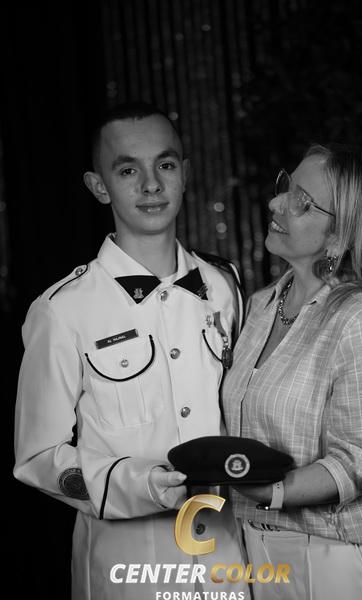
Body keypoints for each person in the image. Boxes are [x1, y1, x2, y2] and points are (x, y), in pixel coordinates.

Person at [14, 102, 249, 600]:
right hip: (127, 570)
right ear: (99, 186)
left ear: (185, 173)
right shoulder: (62, 309)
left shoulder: (224, 286)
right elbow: (37, 457)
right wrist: (136, 484)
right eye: (127, 170)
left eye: (165, 165)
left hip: (228, 560)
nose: (151, 185)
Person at [222, 143, 362, 600]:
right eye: (286, 187)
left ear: (339, 239)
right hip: (258, 551)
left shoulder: (360, 318)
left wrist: (275, 490)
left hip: (341, 558)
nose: (275, 203)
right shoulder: (260, 306)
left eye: (301, 201)